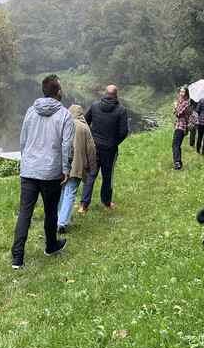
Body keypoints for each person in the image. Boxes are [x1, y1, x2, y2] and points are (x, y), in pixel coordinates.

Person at [11, 74, 74, 269]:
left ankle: (17, 258)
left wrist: (26, 161)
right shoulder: (65, 115)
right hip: (50, 172)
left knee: (24, 213)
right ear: (58, 92)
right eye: (61, 88)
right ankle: (50, 246)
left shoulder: (31, 111)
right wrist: (65, 169)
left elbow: (23, 140)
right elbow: (66, 146)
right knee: (50, 211)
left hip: (29, 170)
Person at [80, 84, 129, 211]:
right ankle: (107, 203)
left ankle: (83, 205)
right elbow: (124, 132)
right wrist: (114, 142)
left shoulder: (95, 106)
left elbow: (84, 121)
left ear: (105, 94)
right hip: (110, 150)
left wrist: (91, 138)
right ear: (116, 95)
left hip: (94, 147)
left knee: (91, 174)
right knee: (107, 176)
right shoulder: (121, 110)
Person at [57, 104, 96, 232]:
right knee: (71, 192)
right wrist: (92, 167)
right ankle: (62, 223)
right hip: (77, 166)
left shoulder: (63, 123)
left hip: (62, 165)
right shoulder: (84, 128)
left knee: (62, 191)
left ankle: (57, 218)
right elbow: (91, 149)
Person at [172, 86, 191, 169]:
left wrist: (176, 106)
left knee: (175, 144)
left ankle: (177, 163)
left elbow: (178, 113)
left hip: (182, 125)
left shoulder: (186, 102)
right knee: (177, 144)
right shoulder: (182, 101)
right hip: (179, 125)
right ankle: (179, 162)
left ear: (186, 93)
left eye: (183, 92)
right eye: (180, 91)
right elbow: (175, 113)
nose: (181, 93)